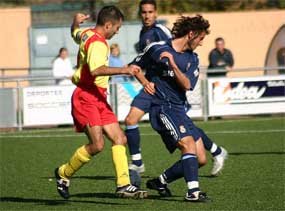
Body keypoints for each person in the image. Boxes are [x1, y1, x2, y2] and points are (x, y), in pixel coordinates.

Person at [54, 6, 148, 199]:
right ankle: (63, 173)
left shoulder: (86, 33)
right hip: (86, 96)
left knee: (120, 138)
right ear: (108, 25)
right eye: (117, 27)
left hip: (98, 97)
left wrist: (75, 21)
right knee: (97, 145)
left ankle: (123, 184)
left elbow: (74, 33)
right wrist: (124, 69)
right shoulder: (98, 43)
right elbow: (96, 70)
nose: (118, 31)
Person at [125, 0, 227, 177]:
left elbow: (174, 50)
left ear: (156, 13)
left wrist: (173, 68)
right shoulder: (144, 33)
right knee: (130, 119)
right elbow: (141, 62)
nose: (147, 15)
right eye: (143, 12)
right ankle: (137, 162)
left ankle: (216, 151)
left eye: (150, 12)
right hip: (151, 85)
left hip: (167, 88)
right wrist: (143, 80)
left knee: (187, 131)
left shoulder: (161, 31)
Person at [131, 15, 211, 202]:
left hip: (179, 109)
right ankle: (193, 192)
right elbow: (133, 66)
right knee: (188, 145)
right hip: (162, 107)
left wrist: (173, 65)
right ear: (191, 34)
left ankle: (161, 181)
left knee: (200, 159)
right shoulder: (156, 48)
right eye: (200, 38)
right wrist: (144, 82)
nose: (200, 43)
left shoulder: (193, 58)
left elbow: (187, 85)